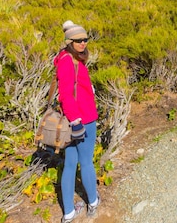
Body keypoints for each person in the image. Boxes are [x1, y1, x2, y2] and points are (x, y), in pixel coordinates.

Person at [56, 20, 100, 223]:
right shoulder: (67, 61)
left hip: (76, 118)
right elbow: (65, 94)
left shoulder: (68, 58)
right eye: (78, 40)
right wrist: (76, 121)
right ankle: (93, 202)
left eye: (85, 39)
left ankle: (69, 213)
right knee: (86, 162)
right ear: (69, 41)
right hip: (82, 119)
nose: (83, 43)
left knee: (71, 163)